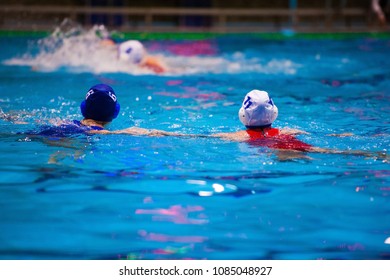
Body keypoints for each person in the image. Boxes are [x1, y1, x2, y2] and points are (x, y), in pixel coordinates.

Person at [210, 89, 387, 160]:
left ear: (243, 115)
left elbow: (200, 137)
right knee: (326, 150)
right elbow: (318, 135)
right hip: (288, 142)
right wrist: (340, 136)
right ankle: (374, 154)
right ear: (274, 113)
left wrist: (181, 135)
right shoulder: (286, 130)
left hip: (274, 149)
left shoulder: (240, 136)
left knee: (292, 156)